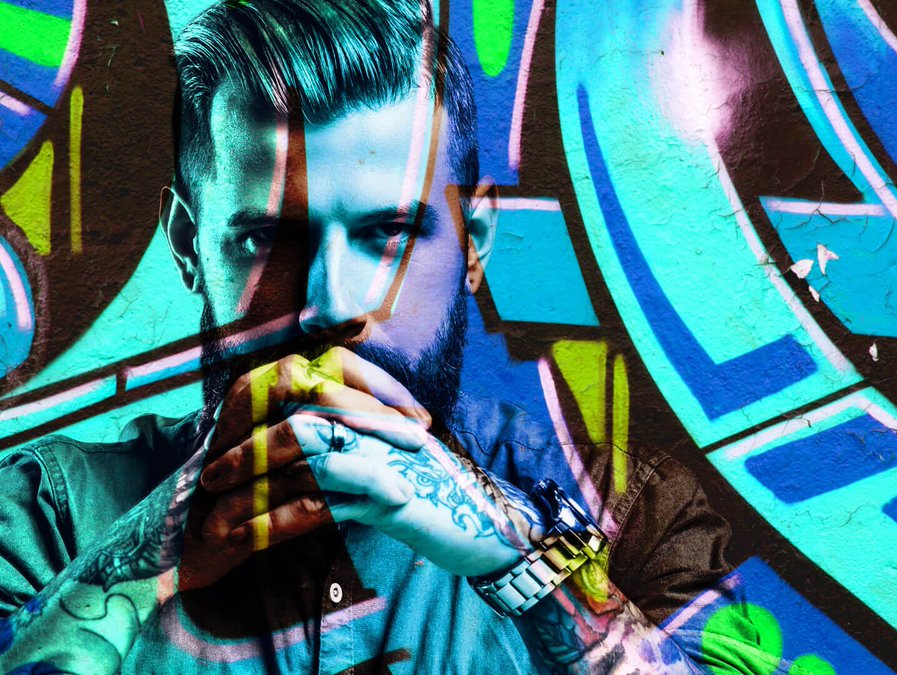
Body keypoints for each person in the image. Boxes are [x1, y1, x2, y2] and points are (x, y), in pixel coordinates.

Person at [0, 1, 763, 672]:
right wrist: (144, 556)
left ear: (473, 243)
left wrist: (518, 554)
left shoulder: (630, 515)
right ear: (187, 246)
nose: (330, 303)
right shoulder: (46, 519)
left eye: (388, 234)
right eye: (269, 239)